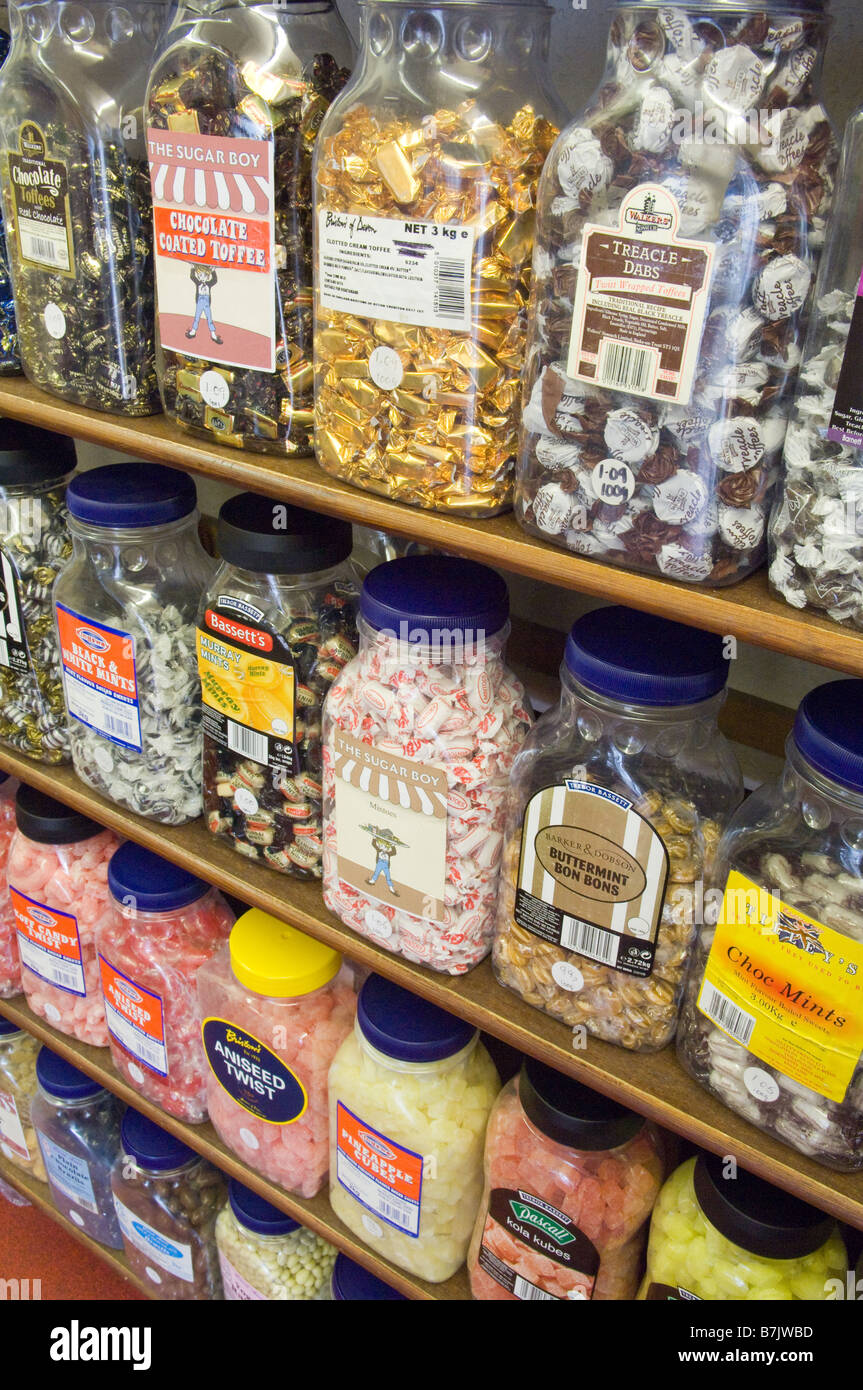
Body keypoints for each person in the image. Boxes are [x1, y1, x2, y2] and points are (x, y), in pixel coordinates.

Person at [186, 264, 223, 345]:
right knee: (197, 316)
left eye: (204, 275)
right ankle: (193, 331)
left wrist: (213, 271)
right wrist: (192, 268)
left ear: (207, 276)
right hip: (200, 300)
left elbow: (215, 280)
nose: (201, 277)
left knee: (209, 318)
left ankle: (213, 334)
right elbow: (192, 277)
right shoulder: (198, 283)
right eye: (200, 275)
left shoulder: (209, 284)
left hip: (206, 301)